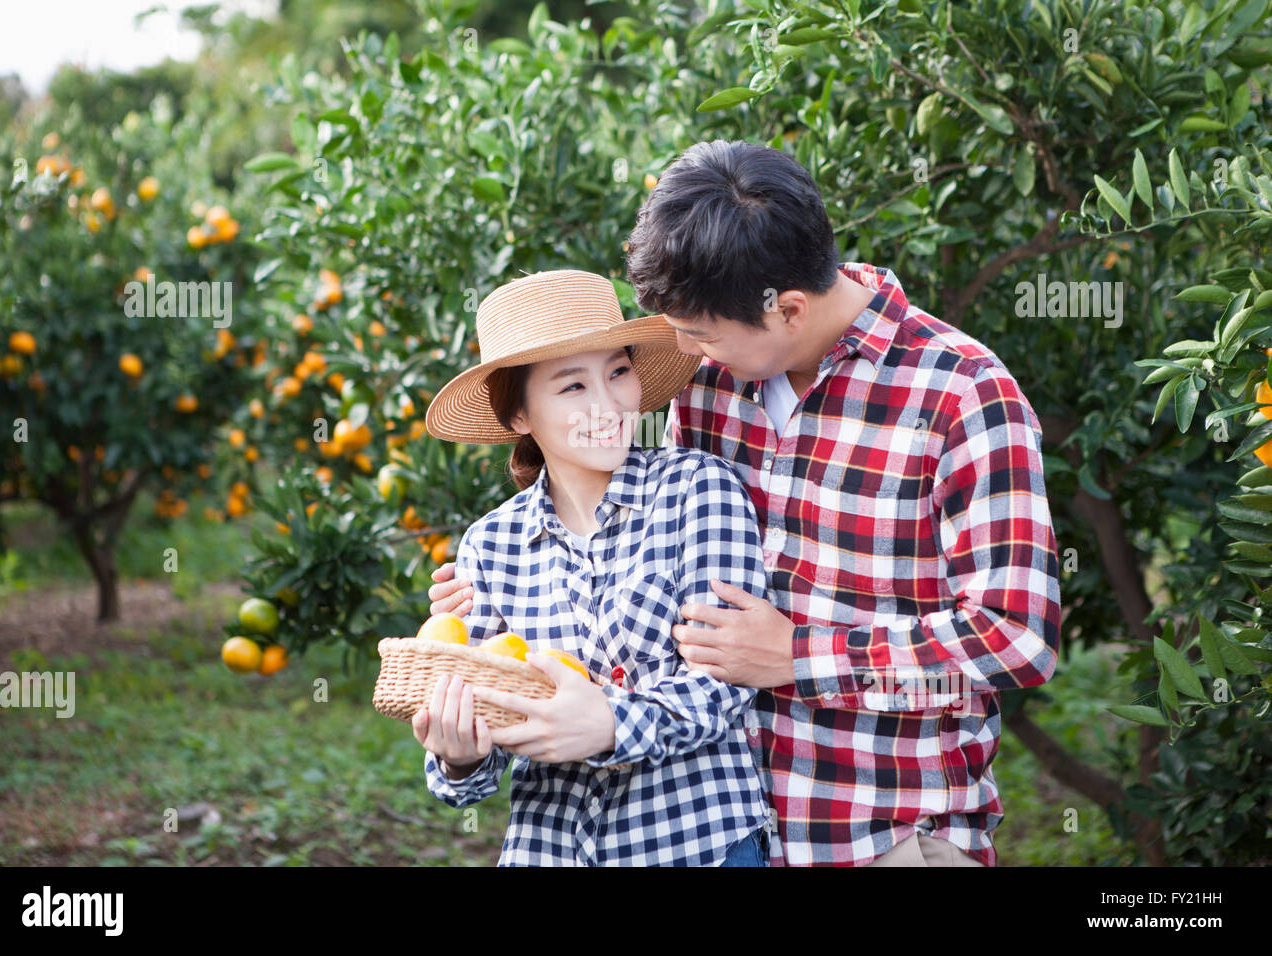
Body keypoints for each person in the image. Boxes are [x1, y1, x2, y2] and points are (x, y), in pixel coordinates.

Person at [429, 141, 1062, 867]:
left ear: (788, 309)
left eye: (698, 333)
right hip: (719, 832)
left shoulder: (960, 394)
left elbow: (1016, 638)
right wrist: (498, 591)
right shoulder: (712, 384)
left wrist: (803, 656)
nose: (681, 349)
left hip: (879, 832)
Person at [410, 268, 773, 866]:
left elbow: (725, 686)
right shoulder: (490, 545)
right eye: (572, 386)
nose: (608, 405)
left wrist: (608, 724)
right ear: (520, 416)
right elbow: (473, 767)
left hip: (695, 842)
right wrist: (460, 753)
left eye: (618, 372)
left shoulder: (697, 492)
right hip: (547, 851)